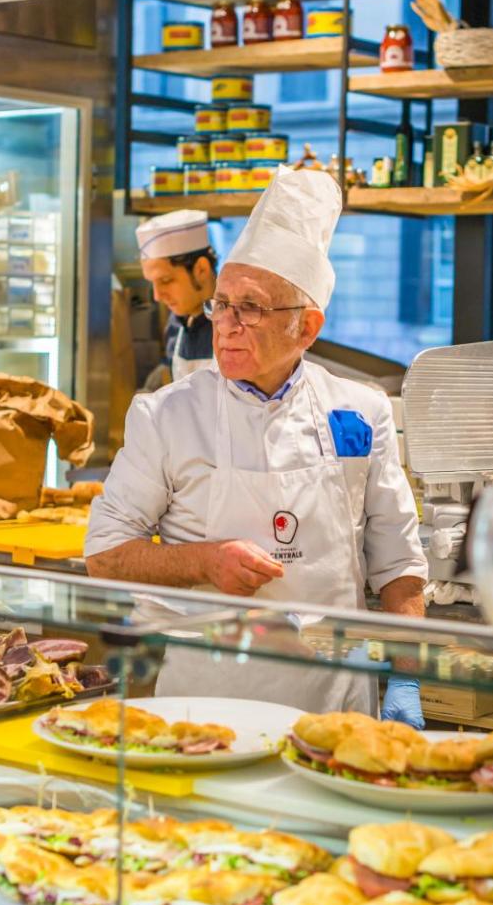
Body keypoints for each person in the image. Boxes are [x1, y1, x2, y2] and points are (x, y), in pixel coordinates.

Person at [86, 166, 428, 724]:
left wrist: (408, 676)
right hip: (206, 703)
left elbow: (397, 562)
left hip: (335, 707)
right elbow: (104, 554)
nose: (226, 324)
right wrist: (204, 562)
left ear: (307, 328)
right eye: (221, 304)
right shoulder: (167, 415)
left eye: (252, 307)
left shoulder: (361, 413)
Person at [137, 209, 216, 380]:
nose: (157, 296)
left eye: (166, 280)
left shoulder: (238, 326)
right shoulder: (175, 325)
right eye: (152, 283)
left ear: (201, 270)